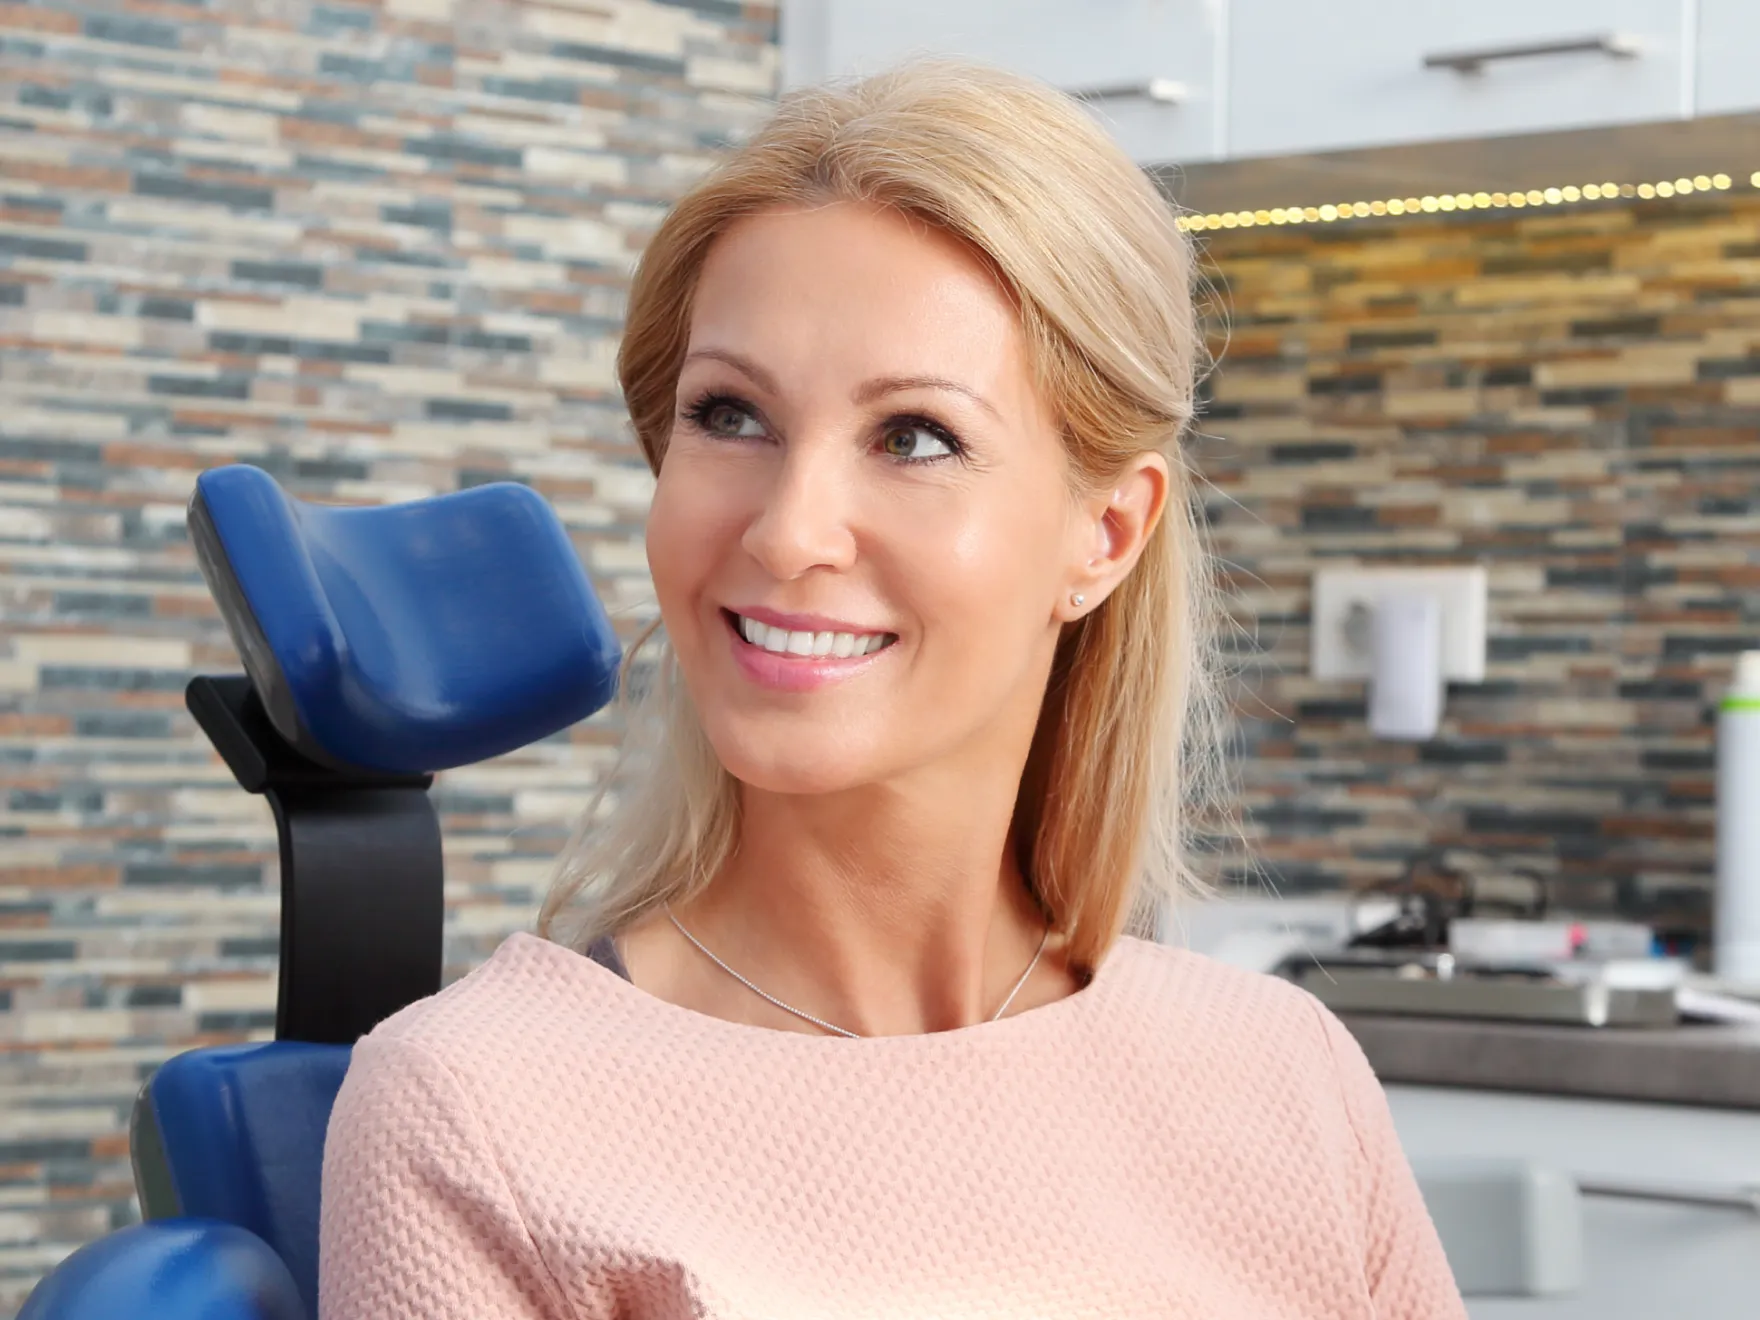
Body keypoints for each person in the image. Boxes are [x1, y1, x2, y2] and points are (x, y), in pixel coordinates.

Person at [318, 59, 1466, 1320]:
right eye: (730, 416)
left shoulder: (1280, 1075)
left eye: (913, 435)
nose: (787, 531)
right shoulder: (478, 1111)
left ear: (1105, 536)